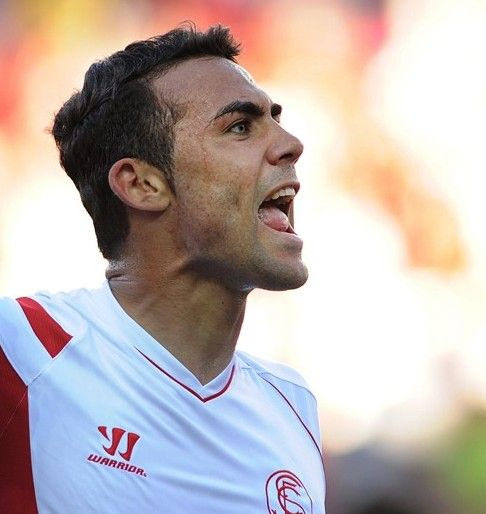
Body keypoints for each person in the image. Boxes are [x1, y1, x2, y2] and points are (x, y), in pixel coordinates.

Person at [0, 25, 325, 513]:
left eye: (276, 120)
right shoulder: (22, 351)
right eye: (240, 126)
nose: (292, 144)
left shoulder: (291, 408)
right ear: (142, 185)